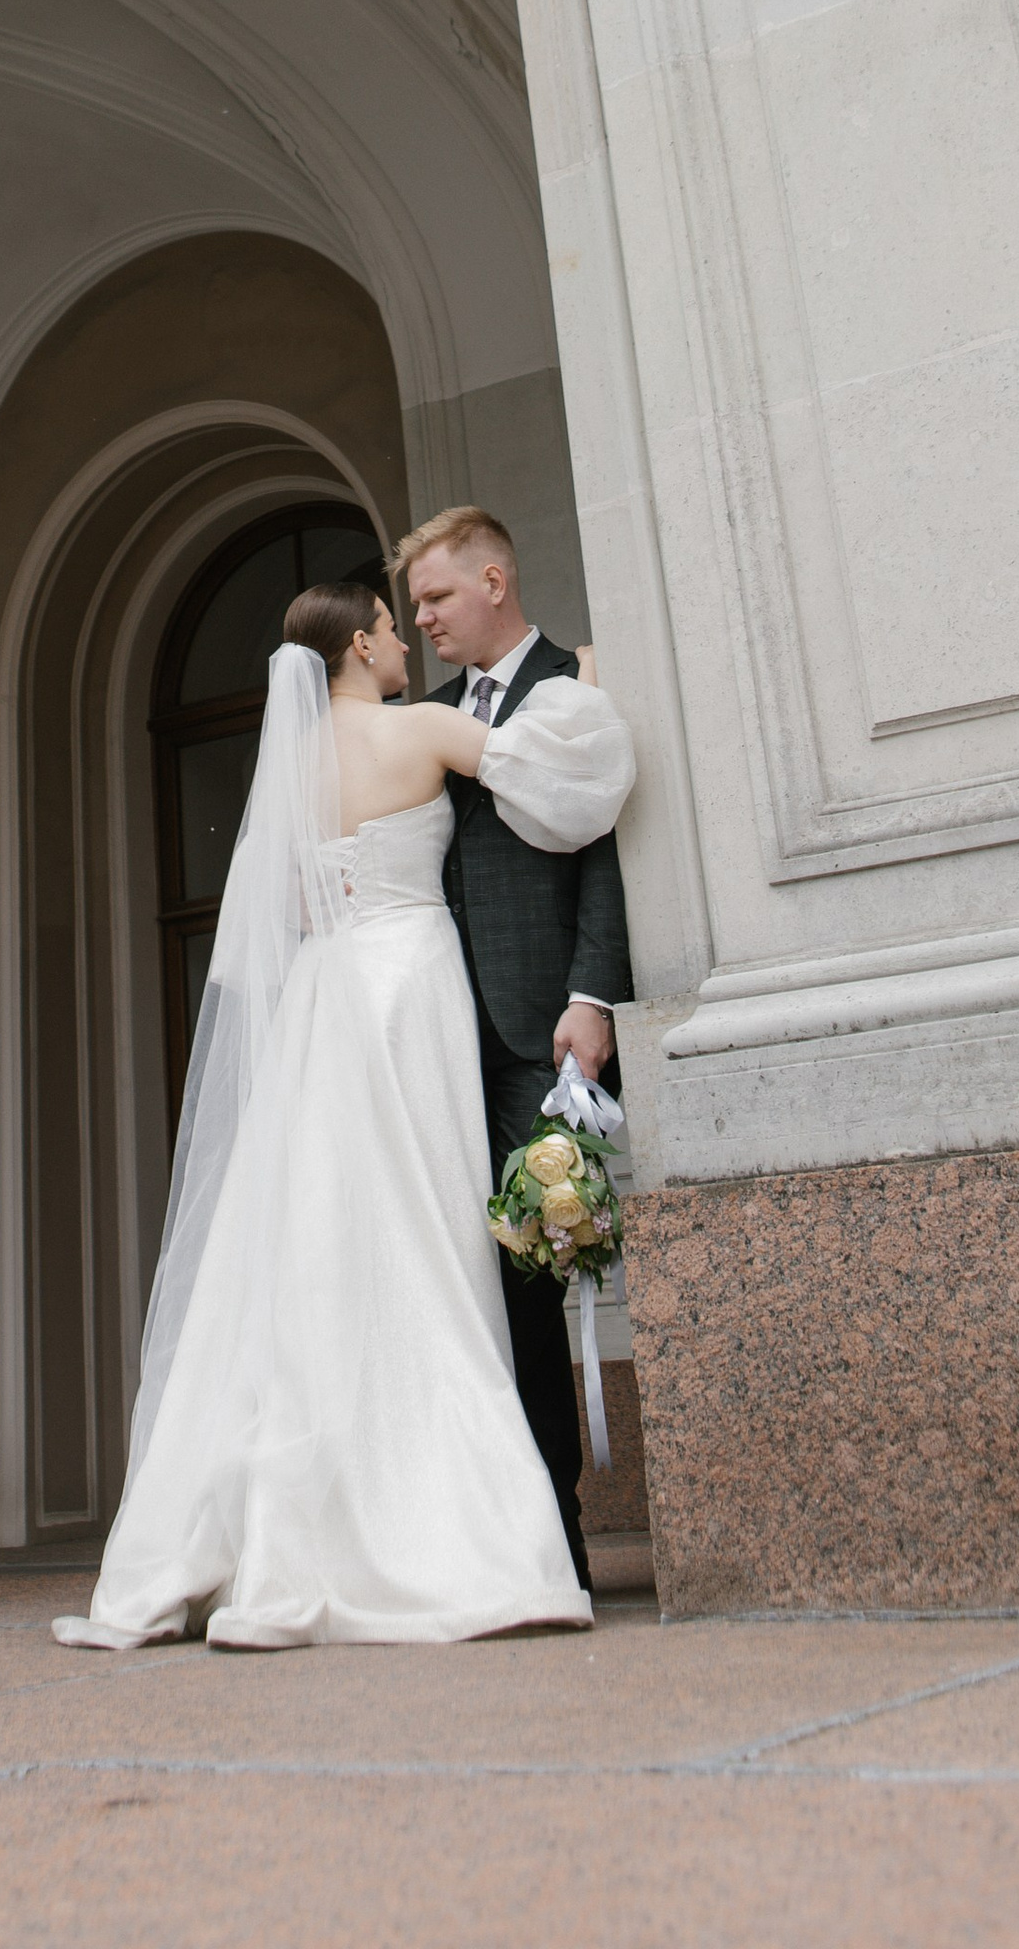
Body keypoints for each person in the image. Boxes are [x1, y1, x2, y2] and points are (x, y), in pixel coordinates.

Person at [54, 567, 633, 1650]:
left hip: (320, 1004)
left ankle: (262, 1539)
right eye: (389, 627)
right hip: (408, 990)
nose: (406, 643)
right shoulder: (419, 733)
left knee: (310, 1244)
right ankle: (448, 1532)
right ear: (361, 649)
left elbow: (274, 917)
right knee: (422, 1230)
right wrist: (594, 673)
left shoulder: (288, 772)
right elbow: (570, 782)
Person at [401, 505, 634, 1591]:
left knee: (551, 1266)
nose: (424, 619)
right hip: (452, 1037)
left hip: (549, 1029)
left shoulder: (576, 689)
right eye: (413, 607)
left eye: (438, 597)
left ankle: (568, 1538)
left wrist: (594, 994)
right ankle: (542, 1540)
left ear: (494, 579)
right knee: (498, 1289)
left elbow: (608, 853)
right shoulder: (434, 720)